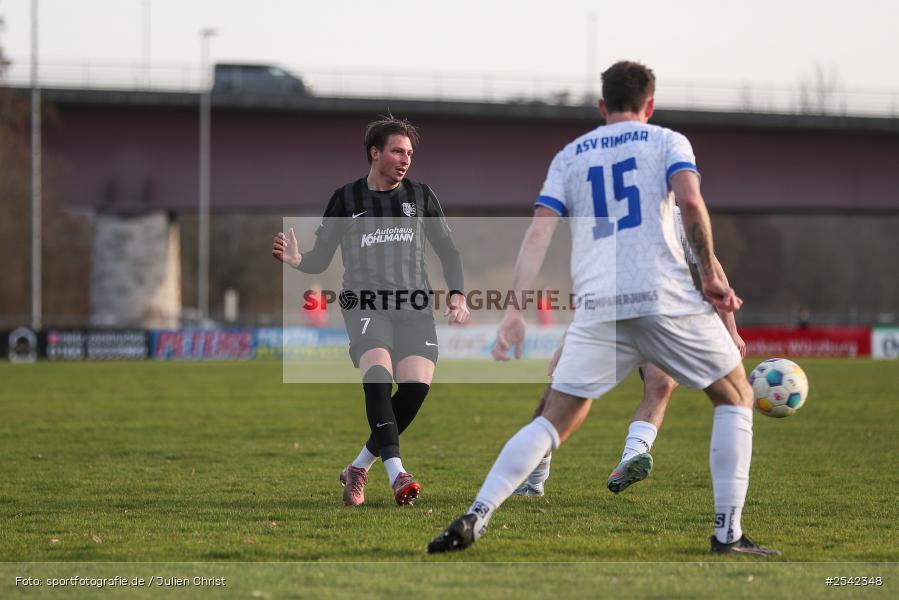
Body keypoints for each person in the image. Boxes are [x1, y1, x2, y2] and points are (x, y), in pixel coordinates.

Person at [428, 61, 779, 556]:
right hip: (664, 298)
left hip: (598, 305)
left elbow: (538, 232)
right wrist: (709, 274)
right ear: (650, 104)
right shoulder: (667, 141)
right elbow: (692, 203)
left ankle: (477, 514)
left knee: (554, 419)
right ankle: (728, 534)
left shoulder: (569, 155)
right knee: (736, 395)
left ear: (601, 106)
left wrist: (514, 311)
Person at [272, 115, 470, 507]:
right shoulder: (345, 200)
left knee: (413, 389)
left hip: (414, 306)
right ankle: (398, 474)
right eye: (398, 150)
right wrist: (298, 260)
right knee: (378, 376)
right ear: (375, 153)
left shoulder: (421, 195)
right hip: (364, 304)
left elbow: (449, 251)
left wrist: (458, 294)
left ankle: (358, 468)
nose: (405, 159)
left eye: (410, 153)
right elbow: (320, 258)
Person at [514, 207, 748, 498]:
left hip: (659, 319)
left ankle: (632, 458)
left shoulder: (674, 216)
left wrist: (731, 328)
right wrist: (569, 339)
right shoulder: (603, 223)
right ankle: (534, 484)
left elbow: (710, 266)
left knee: (661, 384)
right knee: (553, 402)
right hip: (607, 321)